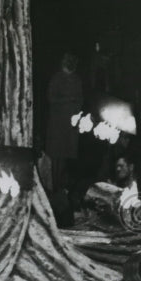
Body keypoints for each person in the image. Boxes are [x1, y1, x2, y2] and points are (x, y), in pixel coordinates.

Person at [45, 52, 83, 196]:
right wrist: (68, 99)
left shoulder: (77, 79)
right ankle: (54, 188)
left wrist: (76, 114)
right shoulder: (57, 78)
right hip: (57, 123)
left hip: (70, 125)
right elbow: (51, 98)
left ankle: (62, 188)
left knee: (66, 156)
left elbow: (80, 99)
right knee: (56, 156)